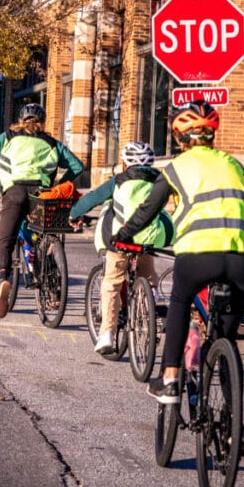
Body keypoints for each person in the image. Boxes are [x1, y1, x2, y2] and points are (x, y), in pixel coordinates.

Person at [113, 100, 244, 404]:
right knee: (225, 339)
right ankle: (233, 429)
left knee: (180, 300)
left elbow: (147, 210)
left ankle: (169, 380)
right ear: (211, 136)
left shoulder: (175, 168)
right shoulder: (234, 165)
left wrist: (122, 235)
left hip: (199, 254)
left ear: (180, 138)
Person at [0, 103, 85, 319]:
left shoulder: (8, 137)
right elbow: (78, 166)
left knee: (6, 240)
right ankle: (52, 288)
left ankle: (2, 279)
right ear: (42, 123)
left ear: (20, 121)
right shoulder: (52, 143)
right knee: (43, 237)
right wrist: (61, 183)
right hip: (42, 195)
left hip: (14, 193)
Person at [69, 141, 173, 354]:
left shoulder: (118, 181)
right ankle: (151, 303)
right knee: (147, 270)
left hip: (121, 239)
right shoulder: (160, 181)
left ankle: (107, 333)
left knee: (112, 282)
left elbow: (92, 199)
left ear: (125, 164)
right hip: (149, 237)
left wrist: (73, 214)